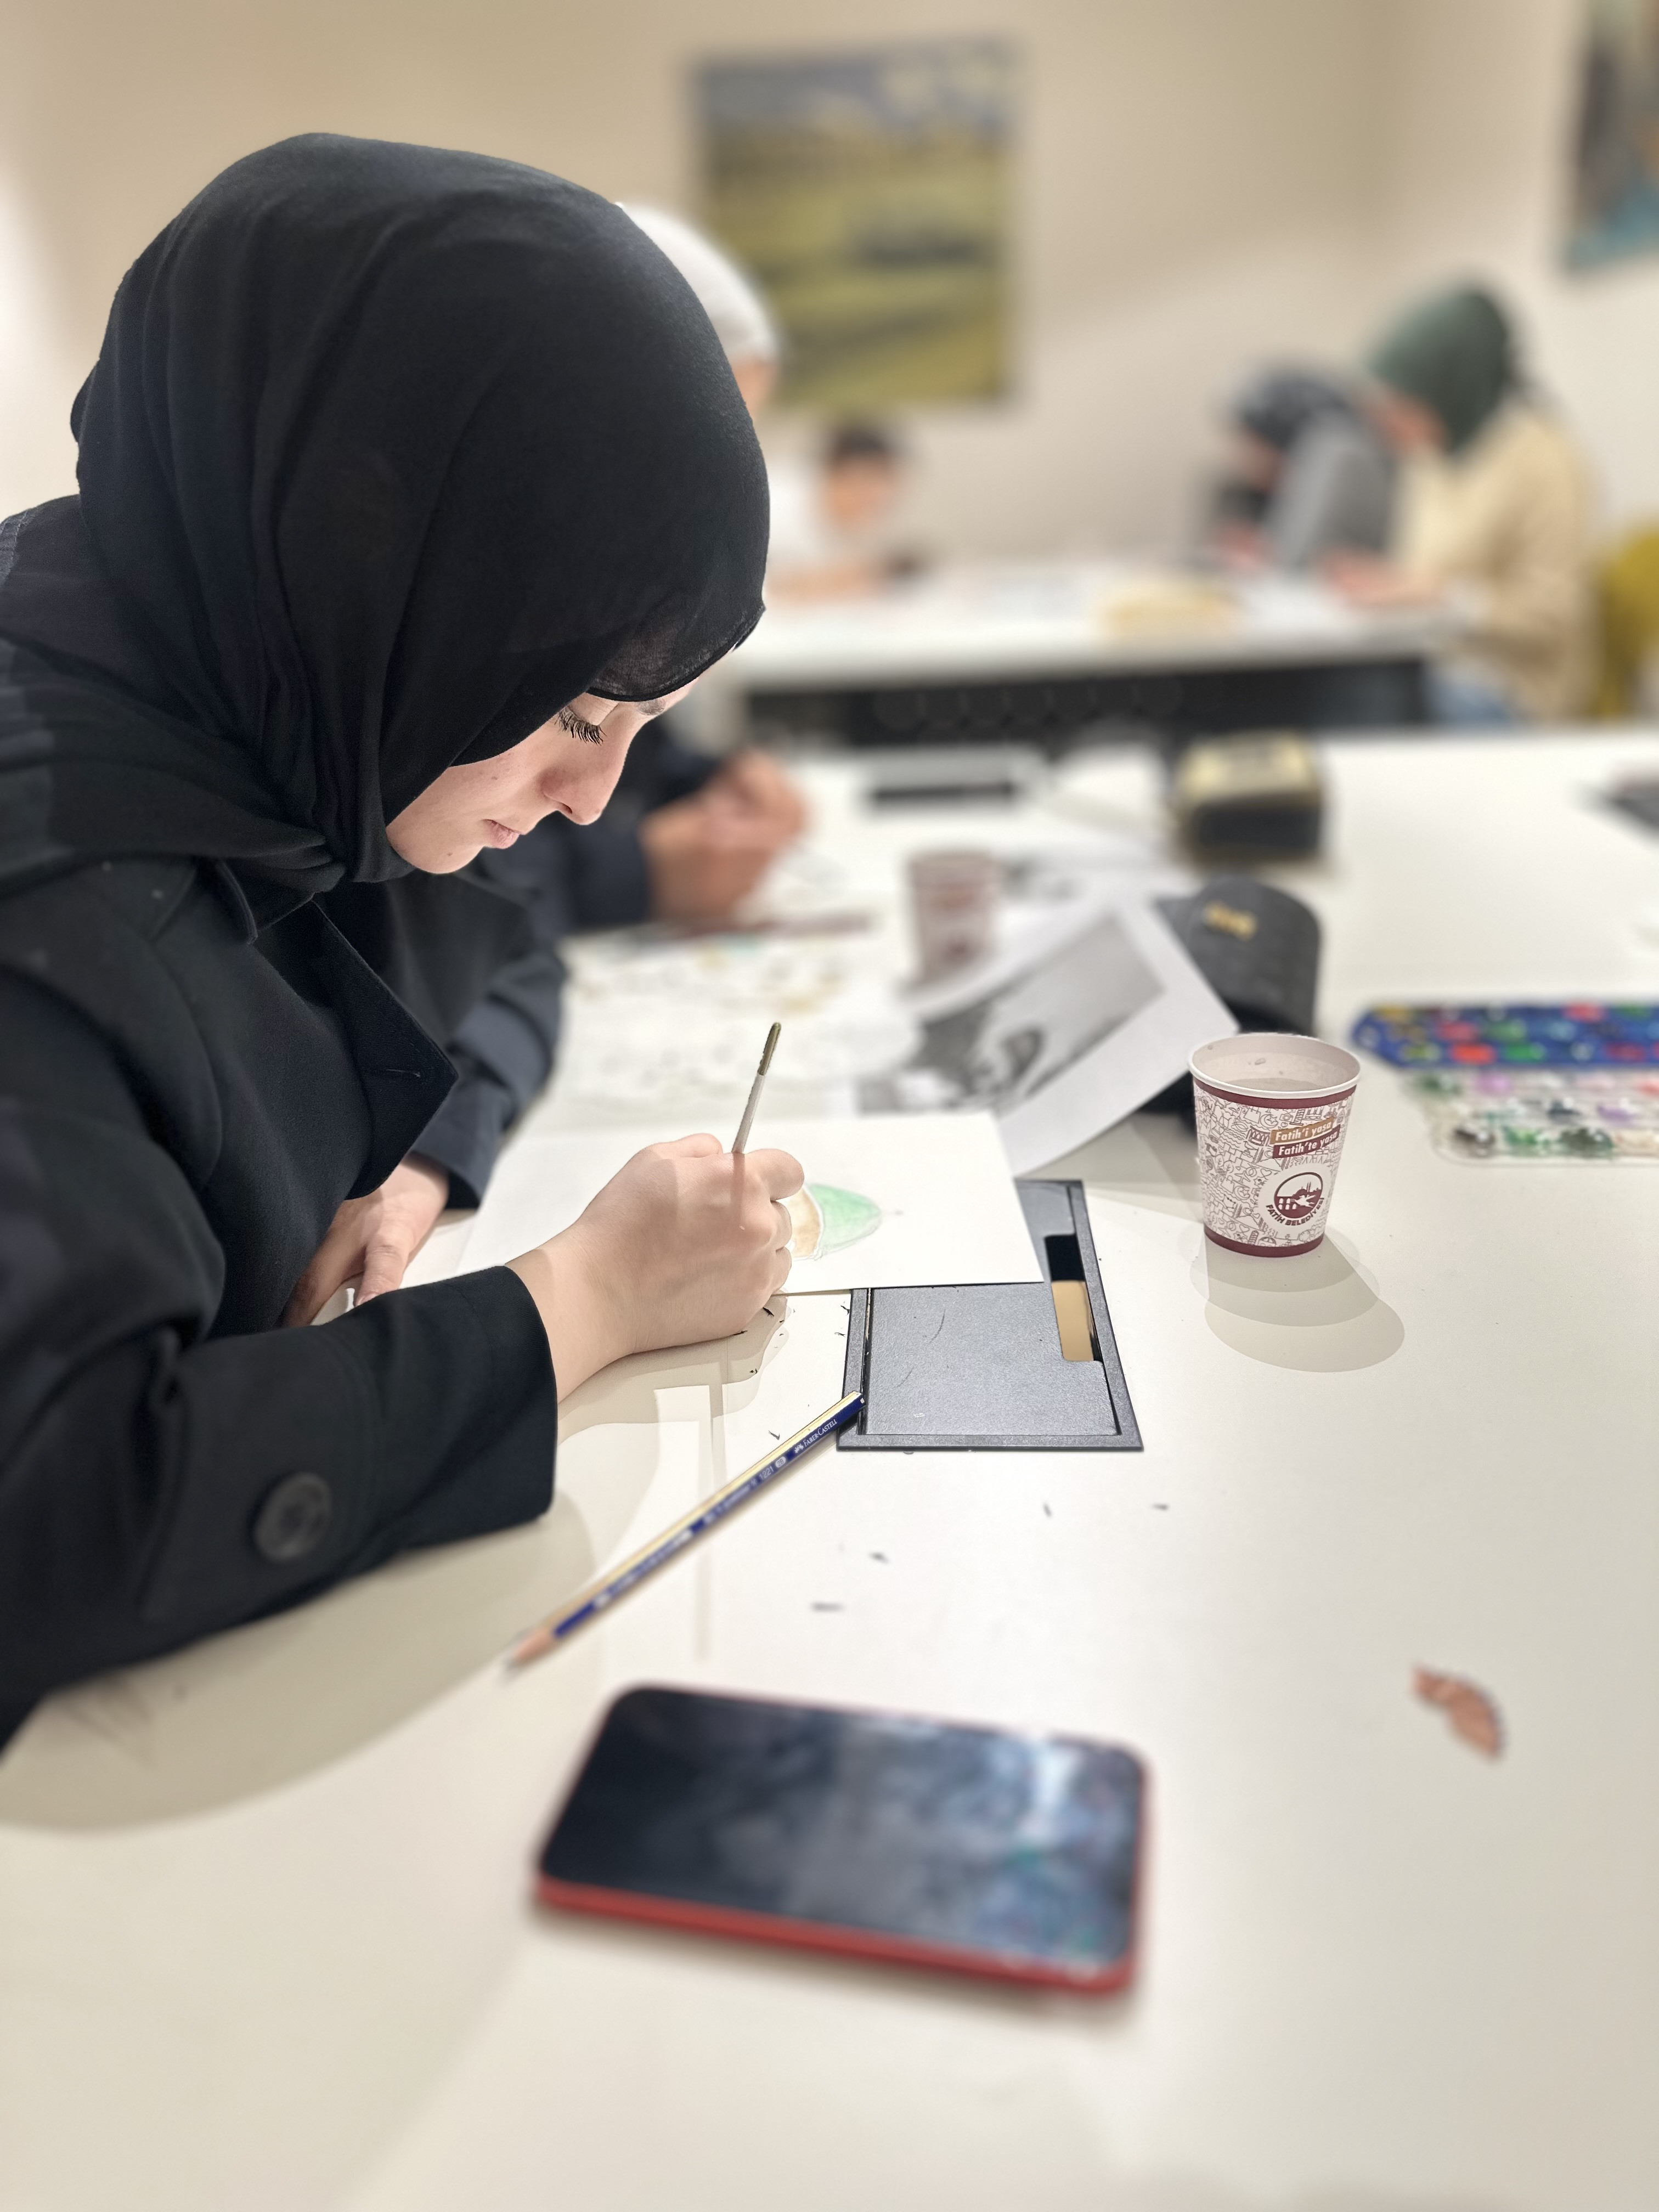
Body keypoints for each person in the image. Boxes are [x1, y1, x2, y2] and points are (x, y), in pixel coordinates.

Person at [0, 135, 804, 1741]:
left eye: (637, 731)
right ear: (377, 552)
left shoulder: (285, 701)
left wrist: (419, 1158)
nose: (593, 800)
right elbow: (61, 1524)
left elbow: (499, 948)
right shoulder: (57, 893)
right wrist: (583, 1300)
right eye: (578, 714)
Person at [1329, 285, 1594, 724]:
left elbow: (1553, 616)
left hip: (1512, 696)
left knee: (1338, 707)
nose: (1387, 425)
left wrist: (1445, 597)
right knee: (1307, 688)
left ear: (1450, 384)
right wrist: (1385, 582)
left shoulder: (1545, 460)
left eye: (1401, 405)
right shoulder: (1432, 453)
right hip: (1428, 662)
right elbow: (1426, 574)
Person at [1209, 366, 1394, 573]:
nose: (1242, 459)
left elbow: (1305, 562)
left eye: (1256, 445)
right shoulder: (1255, 495)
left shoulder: (1337, 458)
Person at [766, 421, 912, 601]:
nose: (872, 498)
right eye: (862, 482)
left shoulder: (854, 516)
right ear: (834, 472)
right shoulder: (773, 500)